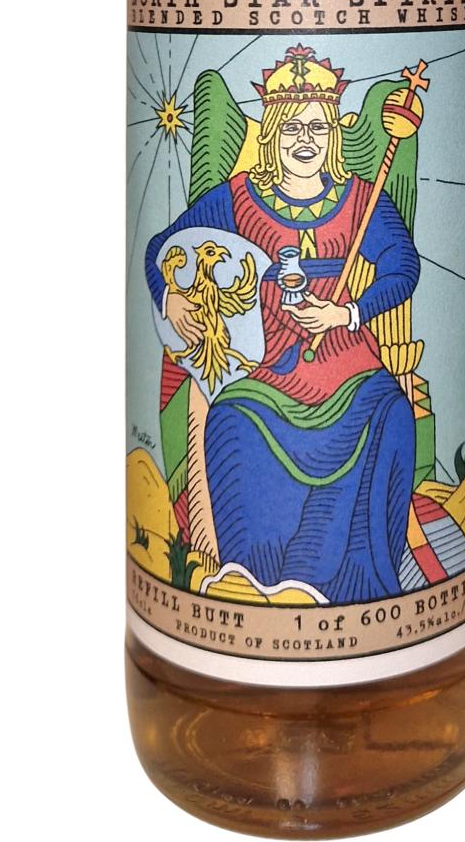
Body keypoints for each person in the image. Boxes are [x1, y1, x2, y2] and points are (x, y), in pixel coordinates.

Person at [145, 45, 418, 604]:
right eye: (291, 126)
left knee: (389, 412)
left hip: (347, 364)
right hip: (266, 368)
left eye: (316, 126)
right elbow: (161, 249)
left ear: (333, 133)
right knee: (231, 422)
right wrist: (169, 296)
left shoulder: (359, 200)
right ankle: (255, 581)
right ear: (271, 133)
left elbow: (403, 265)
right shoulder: (238, 198)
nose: (304, 139)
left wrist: (346, 312)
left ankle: (339, 583)